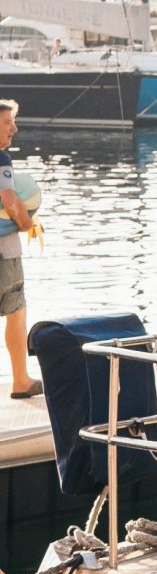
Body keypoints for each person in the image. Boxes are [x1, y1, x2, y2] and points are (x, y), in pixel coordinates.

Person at [0, 100, 40, 400]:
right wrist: (26, 222)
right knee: (16, 310)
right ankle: (20, 381)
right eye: (6, 123)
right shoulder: (1, 158)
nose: (14, 128)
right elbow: (10, 198)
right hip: (4, 253)